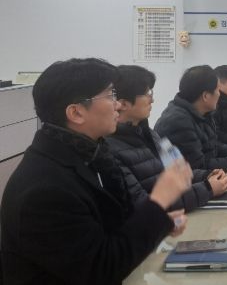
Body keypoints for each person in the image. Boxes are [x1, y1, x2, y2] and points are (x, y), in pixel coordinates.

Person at [0, 58, 192, 285]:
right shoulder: (44, 191)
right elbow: (102, 270)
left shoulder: (90, 155)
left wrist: (159, 221)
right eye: (111, 96)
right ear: (76, 113)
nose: (118, 105)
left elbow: (113, 229)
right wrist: (158, 202)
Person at [107, 65, 227, 213]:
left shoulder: (150, 134)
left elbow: (180, 170)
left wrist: (207, 175)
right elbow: (145, 205)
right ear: (123, 104)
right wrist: (208, 188)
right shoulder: (111, 149)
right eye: (147, 94)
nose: (152, 100)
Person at [154, 65, 227, 174]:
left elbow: (213, 146)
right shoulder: (178, 122)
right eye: (217, 90)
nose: (219, 95)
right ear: (206, 96)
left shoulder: (202, 113)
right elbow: (198, 166)